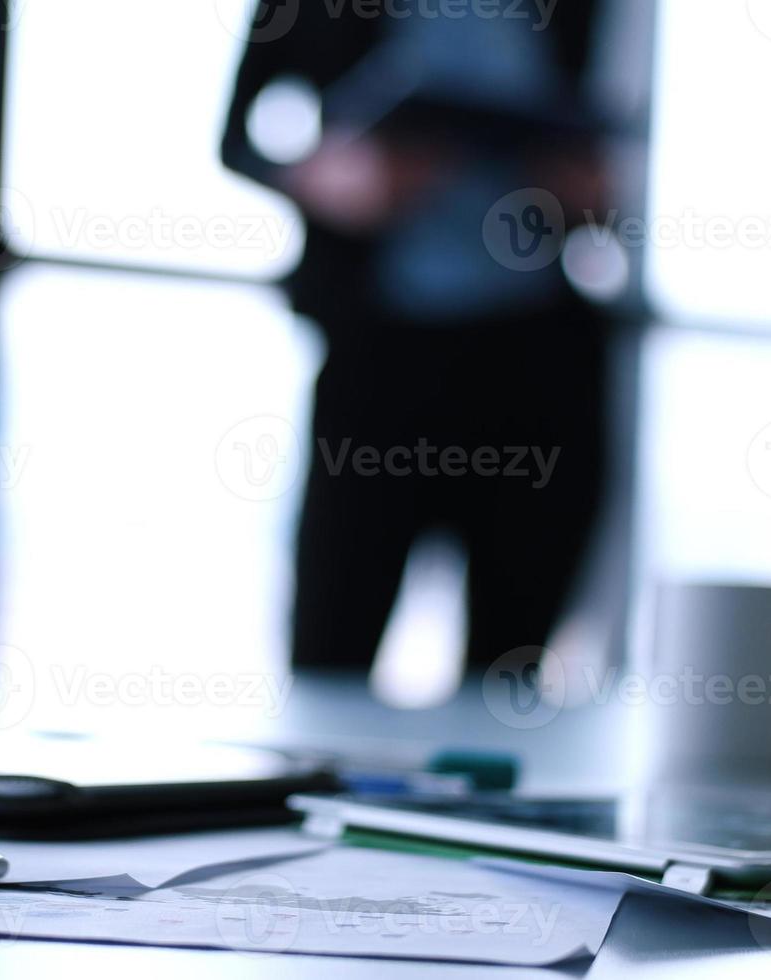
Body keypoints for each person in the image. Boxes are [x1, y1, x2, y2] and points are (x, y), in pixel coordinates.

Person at [222, 1, 618, 672]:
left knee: (508, 664)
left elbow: (591, 148)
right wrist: (330, 177)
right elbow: (236, 139)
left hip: (535, 359)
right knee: (332, 645)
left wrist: (586, 189)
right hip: (381, 355)